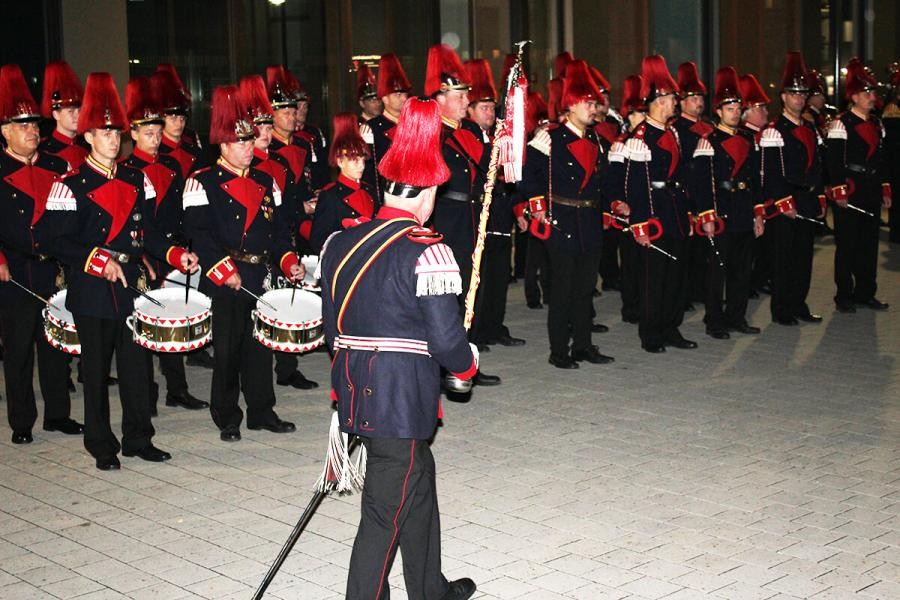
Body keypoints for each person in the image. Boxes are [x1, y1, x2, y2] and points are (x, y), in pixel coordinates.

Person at [319, 95, 477, 600]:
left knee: (418, 482)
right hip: (399, 401)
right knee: (382, 515)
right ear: (428, 193)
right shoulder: (428, 250)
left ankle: (430, 588)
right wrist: (468, 362)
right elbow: (449, 342)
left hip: (354, 389)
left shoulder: (339, 244)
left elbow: (330, 328)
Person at [41, 72, 198, 470]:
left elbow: (148, 233)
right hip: (92, 288)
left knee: (136, 366)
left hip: (130, 285)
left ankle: (138, 437)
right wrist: (96, 260)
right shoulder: (70, 184)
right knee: (95, 371)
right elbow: (54, 240)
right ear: (88, 137)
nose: (113, 139)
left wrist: (176, 254)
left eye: (116, 132)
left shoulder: (135, 178)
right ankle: (101, 444)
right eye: (104, 132)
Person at [182, 85, 304, 442]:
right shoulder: (201, 182)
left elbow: (280, 231)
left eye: (251, 141)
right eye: (241, 143)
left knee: (260, 347)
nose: (249, 148)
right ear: (223, 145)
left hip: (258, 273)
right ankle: (226, 415)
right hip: (225, 276)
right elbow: (199, 234)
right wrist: (223, 270)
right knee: (229, 350)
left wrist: (289, 261)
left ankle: (262, 411)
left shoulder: (266, 181)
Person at [0, 64, 81, 445]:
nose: (33, 132)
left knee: (56, 345)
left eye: (35, 126)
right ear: (5, 132)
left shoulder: (56, 166)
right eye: (23, 126)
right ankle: (21, 422)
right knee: (18, 351)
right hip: (14, 272)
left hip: (54, 271)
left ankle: (58, 415)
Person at [120, 75, 208, 413]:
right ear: (134, 134)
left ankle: (177, 388)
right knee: (145, 324)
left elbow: (180, 209)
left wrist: (185, 244)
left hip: (171, 249)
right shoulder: (127, 170)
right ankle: (147, 391)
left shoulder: (172, 165)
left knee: (174, 318)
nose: (155, 140)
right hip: (144, 254)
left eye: (158, 134)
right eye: (148, 134)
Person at [519, 60, 614, 368]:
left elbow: (601, 181)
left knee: (585, 289)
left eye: (594, 102)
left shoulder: (596, 139)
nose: (594, 107)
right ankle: (559, 350)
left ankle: (583, 345)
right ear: (570, 106)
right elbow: (527, 175)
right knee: (562, 290)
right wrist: (537, 207)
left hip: (589, 221)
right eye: (587, 102)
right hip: (562, 220)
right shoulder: (552, 138)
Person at [427, 43, 500, 385]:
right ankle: (442, 364)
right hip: (445, 221)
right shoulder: (432, 134)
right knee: (446, 296)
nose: (465, 101)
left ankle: (465, 363)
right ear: (439, 98)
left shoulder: (467, 133)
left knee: (469, 292)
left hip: (470, 219)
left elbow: (489, 171)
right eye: (459, 96)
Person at [619, 55, 695, 354]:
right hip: (654, 215)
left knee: (676, 276)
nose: (676, 102)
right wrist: (640, 224)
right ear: (659, 100)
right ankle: (651, 333)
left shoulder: (671, 132)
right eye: (672, 97)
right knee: (654, 279)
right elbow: (635, 186)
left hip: (674, 210)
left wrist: (687, 213)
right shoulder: (641, 137)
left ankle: (671, 327)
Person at [693, 67, 764, 339]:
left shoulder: (748, 138)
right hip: (721, 210)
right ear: (718, 112)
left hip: (744, 210)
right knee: (717, 271)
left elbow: (754, 179)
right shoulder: (708, 140)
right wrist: (707, 215)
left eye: (737, 107)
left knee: (742, 271)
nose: (735, 112)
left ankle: (737, 316)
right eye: (729, 108)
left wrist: (758, 213)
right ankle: (715, 321)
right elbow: (702, 183)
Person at [759, 52, 826, 325]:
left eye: (802, 94)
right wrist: (783, 200)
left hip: (808, 198)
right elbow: (771, 171)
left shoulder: (810, 127)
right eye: (793, 94)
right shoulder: (775, 129)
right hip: (787, 199)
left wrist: (821, 195)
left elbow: (818, 166)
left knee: (804, 258)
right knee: (783, 259)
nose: (799, 98)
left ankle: (799, 303)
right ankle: (782, 309)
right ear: (783, 97)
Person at [462, 58, 525, 349]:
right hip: (480, 215)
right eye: (483, 107)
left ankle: (495, 325)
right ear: (470, 110)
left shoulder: (495, 134)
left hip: (500, 213)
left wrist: (517, 209)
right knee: (481, 278)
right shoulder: (468, 136)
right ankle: (475, 332)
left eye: (491, 107)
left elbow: (509, 180)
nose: (490, 112)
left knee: (499, 276)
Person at [826, 58, 891, 312]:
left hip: (871, 188)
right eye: (866, 93)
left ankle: (866, 291)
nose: (871, 97)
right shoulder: (841, 123)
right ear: (853, 97)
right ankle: (844, 295)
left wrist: (885, 186)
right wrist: (838, 188)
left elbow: (881, 159)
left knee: (869, 244)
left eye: (873, 92)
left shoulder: (876, 123)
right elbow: (833, 161)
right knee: (847, 245)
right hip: (850, 189)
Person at [672, 61, 714, 310]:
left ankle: (699, 289)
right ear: (682, 102)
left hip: (706, 193)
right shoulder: (677, 128)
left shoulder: (707, 126)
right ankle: (685, 294)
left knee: (703, 251)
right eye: (693, 97)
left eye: (700, 97)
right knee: (686, 250)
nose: (699, 102)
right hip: (688, 193)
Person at [608, 74, 646, 325]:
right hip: (628, 213)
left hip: (647, 208)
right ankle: (631, 307)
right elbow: (614, 180)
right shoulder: (621, 143)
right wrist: (618, 203)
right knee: (631, 262)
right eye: (638, 114)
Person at [309, 112, 375, 252]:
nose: (361, 166)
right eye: (354, 160)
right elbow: (318, 242)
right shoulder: (330, 196)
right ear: (340, 161)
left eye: (362, 159)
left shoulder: (370, 190)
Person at [361, 53, 412, 201]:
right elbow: (368, 172)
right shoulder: (372, 128)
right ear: (384, 97)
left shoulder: (412, 124)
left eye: (405, 94)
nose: (404, 99)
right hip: (384, 197)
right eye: (398, 95)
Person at [38, 61, 88, 168]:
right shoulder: (43, 151)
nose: (77, 116)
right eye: (70, 111)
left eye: (79, 110)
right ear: (56, 114)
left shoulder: (87, 146)